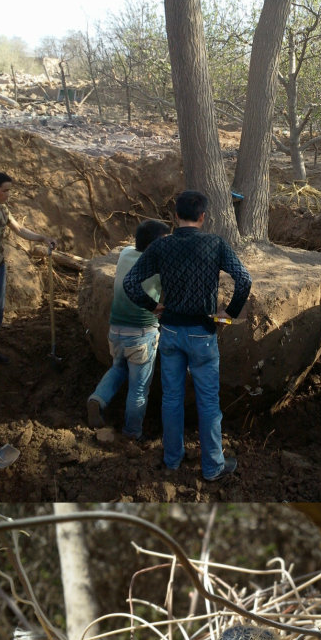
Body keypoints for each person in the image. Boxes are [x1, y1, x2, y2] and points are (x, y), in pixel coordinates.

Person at [123, 190, 252, 481]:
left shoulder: (161, 247)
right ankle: (212, 467)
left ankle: (172, 460)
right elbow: (244, 279)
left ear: (175, 216)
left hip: (169, 331)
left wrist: (153, 306)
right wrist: (228, 315)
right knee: (208, 402)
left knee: (171, 398)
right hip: (203, 334)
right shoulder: (215, 244)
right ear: (204, 217)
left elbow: (131, 283)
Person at [87, 219, 170, 442]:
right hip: (142, 335)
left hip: (116, 330)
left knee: (118, 368)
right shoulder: (159, 267)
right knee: (139, 388)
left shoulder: (125, 254)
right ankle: (132, 433)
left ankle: (98, 398)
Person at [0, 171, 56, 387]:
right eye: (5, 190)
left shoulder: (3, 209)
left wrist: (42, 237)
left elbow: (19, 229)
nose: (8, 194)